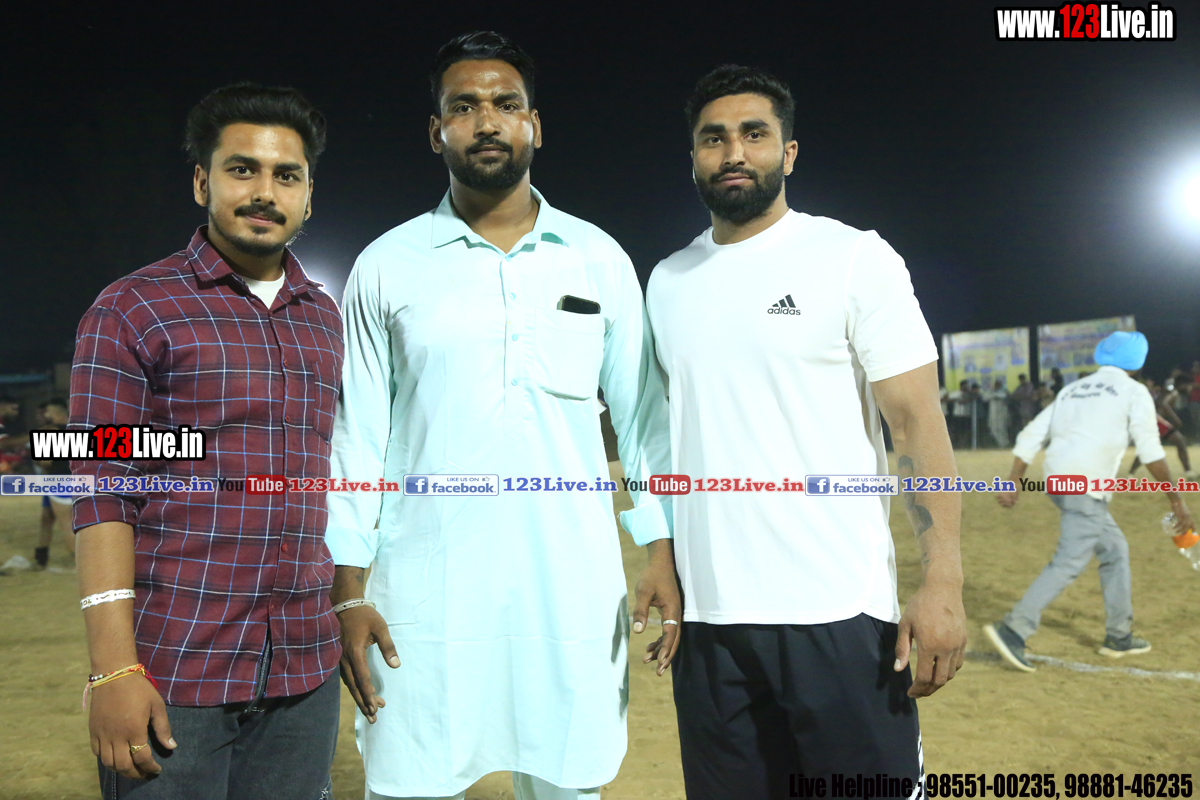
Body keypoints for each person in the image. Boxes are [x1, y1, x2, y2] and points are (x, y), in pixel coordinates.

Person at [325, 32, 678, 800]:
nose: (486, 121)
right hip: (426, 592)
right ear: (436, 131)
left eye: (505, 103)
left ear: (534, 125)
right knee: (410, 780)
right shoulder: (387, 265)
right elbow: (357, 438)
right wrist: (347, 586)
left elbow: (645, 420)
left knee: (569, 779)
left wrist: (660, 547)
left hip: (570, 586)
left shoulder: (597, 258)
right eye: (464, 107)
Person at [645, 65, 966, 800]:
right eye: (713, 138)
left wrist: (942, 579)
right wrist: (661, 556)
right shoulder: (667, 281)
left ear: (788, 153)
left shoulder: (853, 257)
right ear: (693, 157)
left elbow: (916, 421)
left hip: (837, 612)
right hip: (711, 623)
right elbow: (664, 435)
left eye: (754, 134)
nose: (734, 152)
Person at [69, 84, 344, 798]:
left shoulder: (324, 318)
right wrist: (112, 669)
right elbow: (102, 493)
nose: (265, 192)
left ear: (308, 195)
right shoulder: (133, 309)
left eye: (286, 175)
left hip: (304, 672)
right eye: (242, 169)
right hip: (177, 670)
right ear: (202, 182)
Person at [986, 332, 1194, 671]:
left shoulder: (1072, 390)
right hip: (1085, 488)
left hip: (1059, 483)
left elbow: (1031, 434)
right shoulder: (1133, 391)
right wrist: (1177, 502)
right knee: (1068, 561)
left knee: (1115, 550)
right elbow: (1150, 450)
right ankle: (1014, 628)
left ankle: (1119, 635)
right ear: (1137, 361)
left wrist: (1014, 480)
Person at [33, 397, 75, 569]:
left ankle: (78, 562)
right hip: (79, 480)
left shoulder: (48, 430)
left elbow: (45, 462)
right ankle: (41, 558)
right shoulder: (79, 429)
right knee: (47, 517)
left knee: (67, 522)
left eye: (47, 412)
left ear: (54, 413)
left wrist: (37, 460)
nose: (44, 415)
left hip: (58, 480)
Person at [1128, 378, 1191, 477]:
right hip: (1156, 421)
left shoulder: (1164, 392)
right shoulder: (1173, 393)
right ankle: (1188, 471)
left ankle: (1131, 473)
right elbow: (1163, 405)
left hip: (1154, 420)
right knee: (1179, 441)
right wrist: (1175, 419)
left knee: (1149, 447)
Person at [985, 378, 1010, 448]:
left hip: (1002, 412)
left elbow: (1004, 396)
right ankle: (1000, 443)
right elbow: (985, 397)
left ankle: (1004, 443)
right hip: (993, 413)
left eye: (998, 384)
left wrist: (994, 395)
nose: (997, 386)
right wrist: (993, 394)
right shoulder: (991, 391)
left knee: (1002, 428)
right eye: (996, 384)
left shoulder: (1004, 391)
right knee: (993, 428)